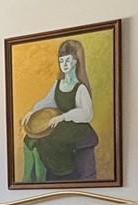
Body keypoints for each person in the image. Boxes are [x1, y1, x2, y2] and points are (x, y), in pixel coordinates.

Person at [20, 38, 100, 181]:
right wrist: (32, 112)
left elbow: (87, 113)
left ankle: (61, 172)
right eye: (61, 61)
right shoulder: (59, 83)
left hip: (75, 128)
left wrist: (63, 117)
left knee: (47, 140)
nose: (64, 65)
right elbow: (48, 101)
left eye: (68, 61)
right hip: (60, 124)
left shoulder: (80, 87)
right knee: (30, 139)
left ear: (76, 61)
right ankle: (32, 179)